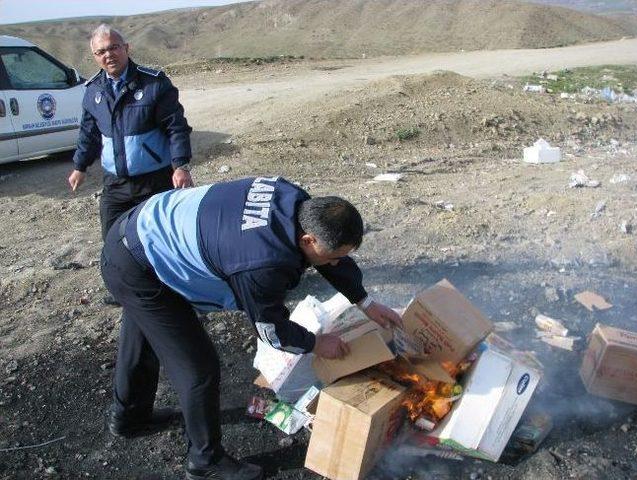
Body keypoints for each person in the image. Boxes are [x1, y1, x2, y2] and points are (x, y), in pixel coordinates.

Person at [100, 176, 403, 480]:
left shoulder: (297, 201)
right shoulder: (263, 264)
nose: (338, 264)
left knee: (144, 330)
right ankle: (205, 462)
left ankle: (130, 418)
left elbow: (329, 259)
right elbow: (271, 330)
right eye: (335, 257)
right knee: (198, 367)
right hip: (141, 265)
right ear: (309, 240)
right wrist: (316, 343)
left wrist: (366, 302)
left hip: (143, 229)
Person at [68, 24, 193, 240]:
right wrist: (80, 166)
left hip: (154, 181)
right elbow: (88, 133)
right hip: (115, 184)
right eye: (101, 52)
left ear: (126, 47)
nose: (108, 55)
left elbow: (176, 127)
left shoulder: (155, 84)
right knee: (113, 243)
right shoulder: (93, 90)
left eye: (113, 47)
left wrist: (180, 166)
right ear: (95, 56)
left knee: (162, 239)